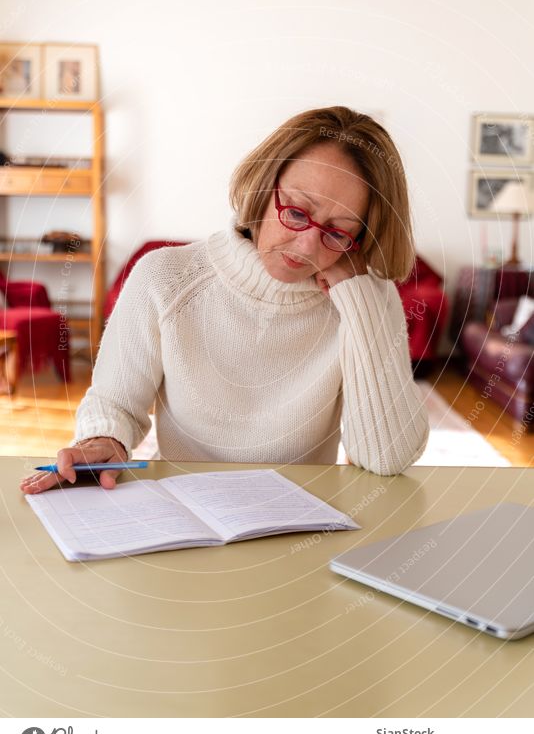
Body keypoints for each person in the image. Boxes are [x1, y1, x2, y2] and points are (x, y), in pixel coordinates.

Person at [20, 105, 429, 495]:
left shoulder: (368, 300)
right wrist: (103, 439)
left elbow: (386, 457)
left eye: (337, 232)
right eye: (298, 213)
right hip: (184, 511)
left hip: (304, 520)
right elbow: (115, 402)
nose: (307, 246)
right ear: (263, 186)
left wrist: (359, 299)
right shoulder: (164, 277)